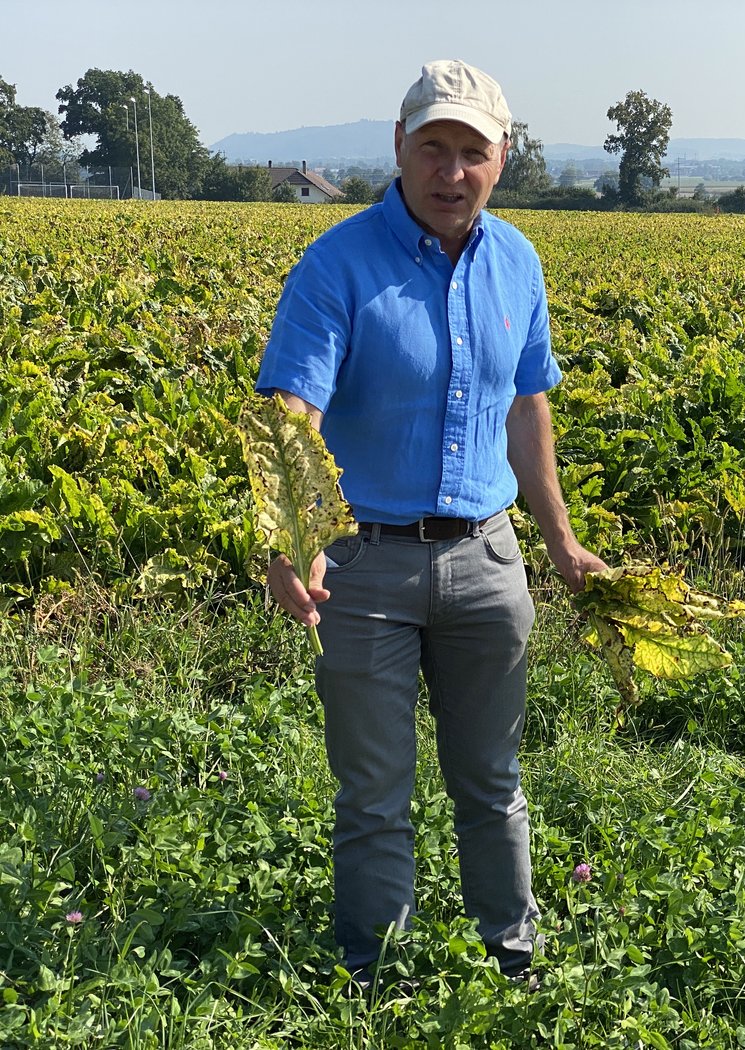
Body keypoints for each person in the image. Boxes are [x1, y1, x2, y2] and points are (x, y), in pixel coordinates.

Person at [256, 59, 606, 986]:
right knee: (374, 792)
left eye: (472, 152)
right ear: (400, 150)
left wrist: (561, 540)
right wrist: (283, 541)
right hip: (363, 571)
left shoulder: (517, 261)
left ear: (502, 161)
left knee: (492, 781)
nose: (451, 172)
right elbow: (293, 412)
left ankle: (512, 951)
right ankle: (375, 969)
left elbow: (528, 406)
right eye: (434, 148)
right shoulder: (338, 263)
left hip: (489, 561)